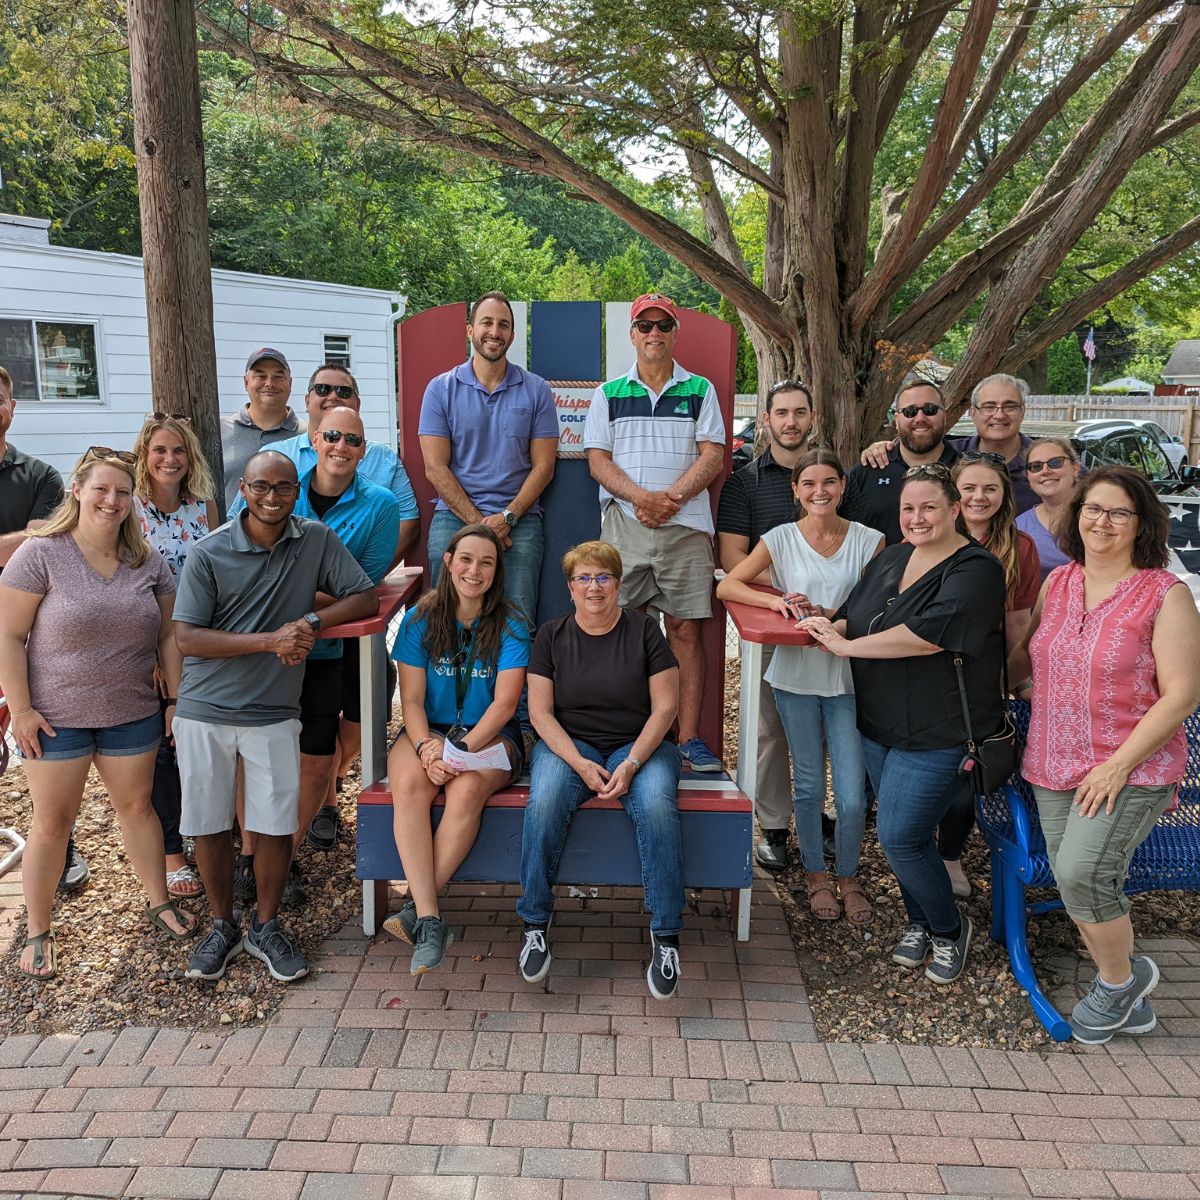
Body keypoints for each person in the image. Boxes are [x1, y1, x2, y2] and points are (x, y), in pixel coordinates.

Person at [172, 451, 377, 985]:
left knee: (276, 823)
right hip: (206, 709)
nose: (272, 497)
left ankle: (265, 926)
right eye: (261, 487)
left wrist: (308, 619)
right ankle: (222, 926)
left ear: (297, 491)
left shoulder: (313, 541)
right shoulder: (209, 551)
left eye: (284, 488)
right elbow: (187, 637)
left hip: (273, 711)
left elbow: (363, 595)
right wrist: (270, 640)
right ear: (243, 488)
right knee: (210, 823)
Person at [1012, 466, 1200, 1043]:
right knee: (1076, 883)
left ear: (1142, 523)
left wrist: (1117, 764)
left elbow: (1184, 694)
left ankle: (1121, 982)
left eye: (1119, 512)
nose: (1102, 521)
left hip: (1129, 767)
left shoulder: (1165, 594)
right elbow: (1031, 663)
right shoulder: (1059, 583)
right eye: (1093, 508)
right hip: (1051, 762)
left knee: (1079, 872)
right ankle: (1129, 995)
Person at [799, 464, 1005, 984]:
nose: (916, 517)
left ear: (955, 509)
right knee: (904, 836)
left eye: (929, 507)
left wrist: (846, 647)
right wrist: (824, 622)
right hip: (880, 724)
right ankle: (919, 921)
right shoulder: (892, 557)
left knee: (898, 836)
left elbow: (928, 634)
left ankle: (950, 928)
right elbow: (856, 614)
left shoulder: (974, 568)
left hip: (940, 731)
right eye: (908, 508)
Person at [0, 447, 197, 979]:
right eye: (102, 490)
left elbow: (168, 636)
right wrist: (20, 709)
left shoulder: (146, 561)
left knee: (138, 810)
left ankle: (158, 900)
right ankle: (39, 928)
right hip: (54, 715)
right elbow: (9, 636)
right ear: (79, 492)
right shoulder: (40, 553)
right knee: (52, 823)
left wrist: (175, 700)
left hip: (130, 710)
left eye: (123, 492)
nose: (112, 501)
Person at [717, 451, 882, 923]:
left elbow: (876, 605)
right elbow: (729, 586)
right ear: (795, 490)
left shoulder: (870, 541)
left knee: (850, 794)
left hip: (849, 675)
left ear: (842, 486)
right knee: (808, 784)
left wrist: (833, 617)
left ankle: (848, 875)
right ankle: (815, 875)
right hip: (795, 675)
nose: (819, 492)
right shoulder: (780, 539)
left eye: (829, 482)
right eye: (809, 484)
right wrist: (777, 603)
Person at [252, 361, 420, 817]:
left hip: (337, 629)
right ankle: (259, 845)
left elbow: (369, 572)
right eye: (331, 436)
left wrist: (301, 603)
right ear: (312, 431)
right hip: (263, 635)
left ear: (364, 444)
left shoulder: (380, 486)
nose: (340, 444)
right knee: (263, 745)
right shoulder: (280, 476)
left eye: (352, 438)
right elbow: (238, 548)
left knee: (353, 714)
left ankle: (327, 788)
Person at [518, 540, 684, 998]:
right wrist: (577, 762)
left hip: (640, 745)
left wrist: (631, 763)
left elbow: (666, 707)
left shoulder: (646, 631)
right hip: (571, 745)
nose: (594, 587)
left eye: (604, 577)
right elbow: (540, 714)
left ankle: (666, 934)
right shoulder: (551, 636)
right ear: (570, 587)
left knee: (655, 805)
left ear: (618, 584)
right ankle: (534, 922)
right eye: (584, 578)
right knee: (546, 798)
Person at [584, 292, 726, 772]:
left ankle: (687, 739)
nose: (653, 334)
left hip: (685, 530)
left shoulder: (699, 390)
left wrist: (672, 500)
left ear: (674, 332)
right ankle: (630, 738)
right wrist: (643, 500)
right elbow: (597, 461)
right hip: (625, 527)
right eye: (644, 326)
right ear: (632, 334)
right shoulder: (608, 394)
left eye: (662, 325)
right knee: (621, 632)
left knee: (685, 632)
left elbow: (712, 456)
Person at [383, 524, 528, 975]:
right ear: (448, 562)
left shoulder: (512, 623)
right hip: (429, 728)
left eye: (486, 562)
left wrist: (458, 752)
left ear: (496, 570)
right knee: (409, 785)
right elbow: (409, 700)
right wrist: (429, 746)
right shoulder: (419, 618)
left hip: (489, 735)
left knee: (466, 791)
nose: (475, 570)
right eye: (466, 559)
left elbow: (505, 705)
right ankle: (430, 921)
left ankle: (419, 909)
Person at [716, 380, 812, 869]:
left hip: (830, 623)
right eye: (782, 413)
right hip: (771, 617)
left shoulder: (837, 478)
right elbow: (733, 559)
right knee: (768, 729)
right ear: (768, 420)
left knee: (834, 727)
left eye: (799, 412)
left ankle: (826, 823)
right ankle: (773, 826)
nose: (790, 421)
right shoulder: (744, 483)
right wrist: (792, 580)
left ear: (811, 418)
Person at [419, 293, 558, 630]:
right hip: (454, 517)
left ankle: (515, 685)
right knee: (445, 615)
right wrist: (481, 527)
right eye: (487, 322)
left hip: (520, 520)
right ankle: (449, 680)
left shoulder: (537, 390)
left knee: (518, 620)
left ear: (512, 335)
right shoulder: (440, 390)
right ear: (470, 330)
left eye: (503, 325)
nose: (494, 331)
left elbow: (544, 467)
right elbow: (435, 468)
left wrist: (508, 518)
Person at [0, 365, 88, 895]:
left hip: (23, 629)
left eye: (1, 397)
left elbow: (45, 542)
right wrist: (18, 540)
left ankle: (62, 850)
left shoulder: (39, 476)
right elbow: (27, 542)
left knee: (37, 736)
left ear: (12, 406)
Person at [937, 454, 1040, 897]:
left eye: (990, 489)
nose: (979, 497)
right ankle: (916, 849)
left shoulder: (1020, 547)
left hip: (984, 670)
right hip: (928, 664)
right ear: (953, 495)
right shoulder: (931, 537)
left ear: (1004, 496)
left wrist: (1013, 680)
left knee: (967, 766)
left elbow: (1019, 624)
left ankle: (950, 854)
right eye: (969, 488)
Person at [133, 412, 221, 900]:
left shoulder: (203, 508)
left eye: (179, 451)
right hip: (147, 642)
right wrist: (152, 654)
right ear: (145, 455)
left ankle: (206, 830)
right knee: (163, 747)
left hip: (198, 640)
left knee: (196, 739)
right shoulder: (132, 510)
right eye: (160, 450)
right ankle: (171, 852)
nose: (170, 459)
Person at [268, 363, 419, 568]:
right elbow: (243, 522)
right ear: (307, 400)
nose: (333, 396)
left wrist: (363, 577)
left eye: (344, 391)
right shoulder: (274, 457)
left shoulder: (384, 459)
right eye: (322, 389)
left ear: (357, 403)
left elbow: (408, 522)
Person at [860, 373, 1037, 513]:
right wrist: (888, 446)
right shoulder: (954, 456)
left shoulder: (1044, 464)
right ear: (973, 413)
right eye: (989, 407)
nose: (999, 415)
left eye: (1010, 406)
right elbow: (919, 446)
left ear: (1022, 411)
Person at [841, 379, 959, 545]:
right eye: (910, 411)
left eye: (929, 409)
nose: (920, 418)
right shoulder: (867, 471)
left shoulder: (964, 472)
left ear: (944, 415)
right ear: (896, 420)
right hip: (877, 570)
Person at [219, 348, 305, 508]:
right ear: (246, 382)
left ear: (290, 383)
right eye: (260, 376)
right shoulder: (219, 431)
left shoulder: (306, 436)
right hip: (227, 531)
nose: (269, 383)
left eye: (278, 376)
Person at [1015, 437, 1082, 582]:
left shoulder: (1099, 517)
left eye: (1056, 462)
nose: (1045, 471)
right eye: (1036, 466)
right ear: (1028, 476)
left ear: (1076, 468)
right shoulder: (1019, 528)